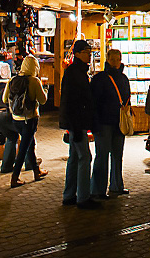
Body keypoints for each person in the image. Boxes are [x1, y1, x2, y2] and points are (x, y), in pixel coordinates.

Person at [60, 39, 99, 209]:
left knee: (75, 158)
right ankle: (83, 197)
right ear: (77, 53)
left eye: (90, 53)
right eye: (86, 53)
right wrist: (75, 126)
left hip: (75, 122)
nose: (89, 56)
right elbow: (72, 102)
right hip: (77, 122)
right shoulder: (75, 73)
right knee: (85, 157)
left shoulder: (76, 72)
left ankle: (69, 195)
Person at [89, 49, 131, 199]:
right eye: (112, 59)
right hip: (104, 122)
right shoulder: (100, 78)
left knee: (117, 155)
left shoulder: (123, 78)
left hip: (117, 122)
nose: (115, 62)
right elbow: (94, 101)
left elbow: (127, 98)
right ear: (107, 60)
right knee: (102, 155)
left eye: (117, 59)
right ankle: (98, 190)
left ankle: (116, 185)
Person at [2, 55, 47, 188]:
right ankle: (15, 177)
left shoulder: (12, 80)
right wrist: (45, 89)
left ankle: (36, 171)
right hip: (30, 119)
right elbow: (43, 100)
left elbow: (5, 99)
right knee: (24, 149)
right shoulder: (34, 81)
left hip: (16, 119)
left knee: (29, 145)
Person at [0, 79, 45, 177]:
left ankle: (6, 166)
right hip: (6, 114)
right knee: (27, 138)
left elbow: (4, 99)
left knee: (11, 138)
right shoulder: (26, 84)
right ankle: (29, 164)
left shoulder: (11, 83)